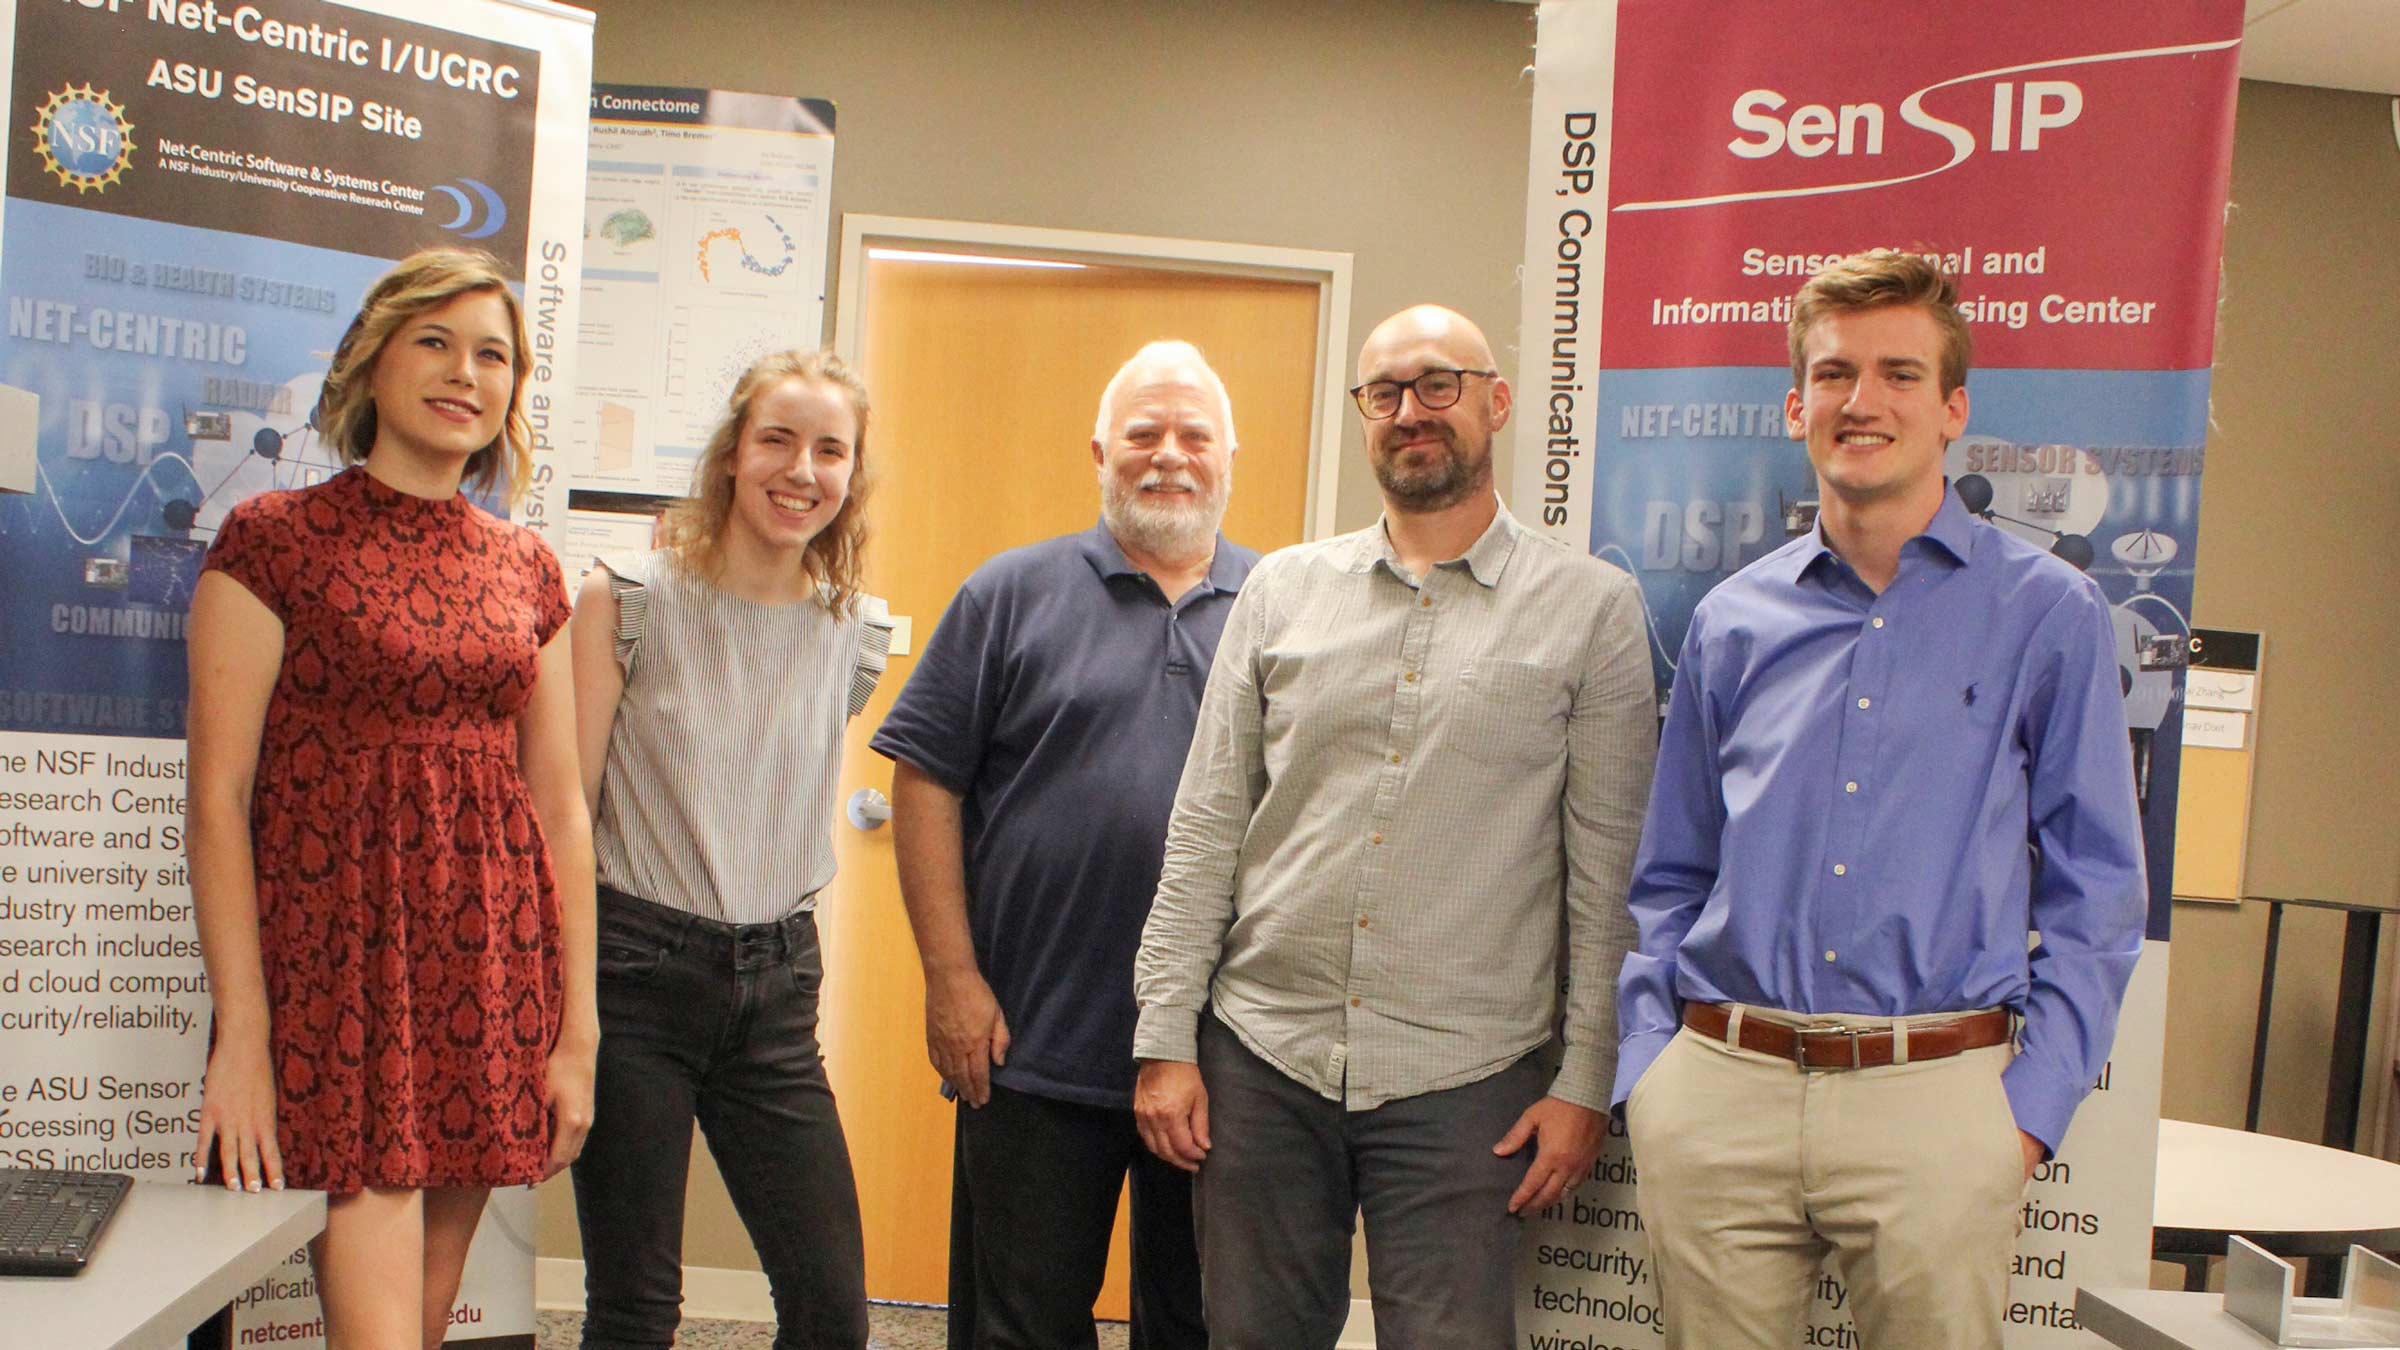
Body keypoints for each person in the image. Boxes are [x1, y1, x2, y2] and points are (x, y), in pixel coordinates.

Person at [1613, 249, 2146, 1349]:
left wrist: (2027, 1113)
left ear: (1954, 409)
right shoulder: (1731, 620)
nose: (1864, 402)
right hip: (1720, 1090)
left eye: (1901, 374)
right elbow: (1673, 868)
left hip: (1939, 1100)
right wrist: (1652, 1070)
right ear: (1795, 403)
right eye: (1836, 373)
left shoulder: (2049, 614)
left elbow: (2098, 885)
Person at [1132, 305, 1657, 1348]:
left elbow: (1608, 879)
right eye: (1387, 393)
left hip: (1468, 1076)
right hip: (1261, 1057)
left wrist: (1586, 1082)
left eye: (1439, 384)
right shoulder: (1283, 590)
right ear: (1365, 415)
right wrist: (1163, 1037)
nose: (1412, 412)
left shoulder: (1592, 610)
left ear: (1496, 402)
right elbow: (1205, 829)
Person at [188, 247, 597, 1348]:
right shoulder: (272, 542)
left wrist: (577, 1035)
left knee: (413, 1329)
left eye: (493, 355)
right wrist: (244, 1034)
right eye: (435, 342)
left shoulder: (529, 570)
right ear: (373, 362)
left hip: (490, 965)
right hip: (344, 968)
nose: (465, 373)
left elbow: (561, 811)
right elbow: (220, 798)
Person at [871, 340, 1250, 1350]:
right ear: (1100, 451)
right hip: (1031, 1046)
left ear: (1228, 457)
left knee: (1201, 1323)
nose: (1168, 454)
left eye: (1193, 435)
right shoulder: (1009, 594)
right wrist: (950, 978)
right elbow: (923, 780)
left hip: (1221, 1051)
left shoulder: (1285, 607)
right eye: (1143, 433)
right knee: (1020, 1328)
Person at [567, 350, 889, 1350]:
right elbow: (566, 815)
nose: (802, 471)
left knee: (832, 1308)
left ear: (852, 474)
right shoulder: (627, 601)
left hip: (777, 989)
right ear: (733, 455)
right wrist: (568, 1010)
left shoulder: (856, 634)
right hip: (636, 976)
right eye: (777, 441)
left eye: (830, 450)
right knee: (636, 1310)